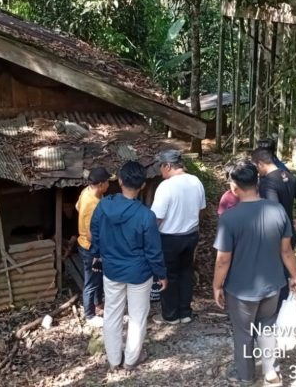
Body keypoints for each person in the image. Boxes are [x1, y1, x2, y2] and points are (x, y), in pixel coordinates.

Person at [213, 161, 296, 386]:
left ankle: (245, 375)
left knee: (243, 332)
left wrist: (217, 286)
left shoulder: (230, 218)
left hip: (241, 290)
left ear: (234, 187)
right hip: (273, 284)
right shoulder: (278, 210)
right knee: (267, 326)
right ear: (257, 182)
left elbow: (223, 260)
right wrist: (295, 276)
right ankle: (271, 372)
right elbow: (286, 250)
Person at [90, 161, 168, 370]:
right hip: (139, 274)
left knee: (112, 314)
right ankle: (131, 360)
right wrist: (161, 274)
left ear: (120, 180)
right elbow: (153, 250)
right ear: (142, 185)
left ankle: (114, 360)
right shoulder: (145, 215)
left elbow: (94, 233)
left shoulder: (103, 206)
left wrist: (97, 254)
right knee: (137, 316)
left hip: (112, 270)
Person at [150, 149, 206, 324]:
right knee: (185, 272)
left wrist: (150, 237)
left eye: (161, 166)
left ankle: (170, 315)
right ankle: (185, 312)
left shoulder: (166, 186)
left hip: (169, 238)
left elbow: (157, 217)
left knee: (169, 275)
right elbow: (201, 210)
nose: (160, 170)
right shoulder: (196, 181)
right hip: (191, 236)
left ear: (167, 166)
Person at [252, 148, 296, 310]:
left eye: (256, 167)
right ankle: (284, 305)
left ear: (260, 164)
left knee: (276, 270)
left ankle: (277, 308)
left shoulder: (267, 183)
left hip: (276, 234)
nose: (257, 171)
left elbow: (273, 211)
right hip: (289, 230)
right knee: (286, 267)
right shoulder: (288, 175)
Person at [75, 167, 111, 327]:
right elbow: (91, 235)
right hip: (90, 247)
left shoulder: (87, 191)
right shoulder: (93, 205)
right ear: (102, 184)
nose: (109, 184)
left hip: (84, 244)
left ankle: (98, 305)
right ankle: (89, 315)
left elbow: (77, 207)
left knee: (97, 278)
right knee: (91, 281)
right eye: (108, 182)